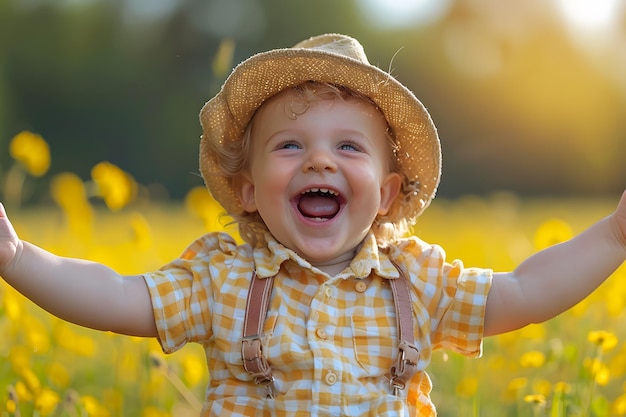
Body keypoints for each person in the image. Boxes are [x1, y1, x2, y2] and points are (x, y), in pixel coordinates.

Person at [0, 33, 625, 417]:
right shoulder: (222, 277)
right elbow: (117, 297)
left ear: (385, 195)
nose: (320, 159)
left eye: (348, 148)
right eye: (290, 146)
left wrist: (614, 237)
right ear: (248, 190)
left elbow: (525, 292)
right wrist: (18, 257)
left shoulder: (417, 279)